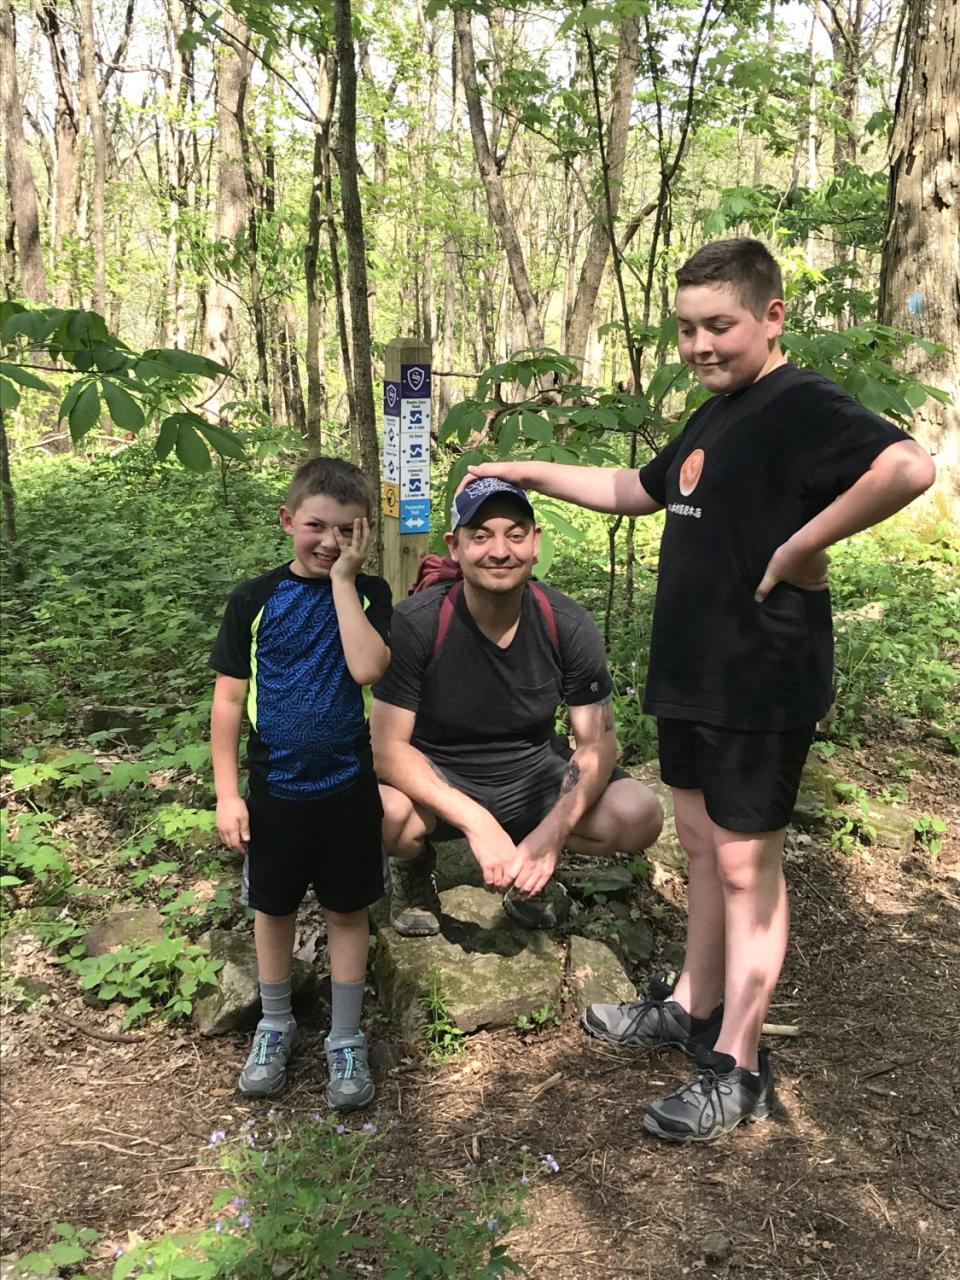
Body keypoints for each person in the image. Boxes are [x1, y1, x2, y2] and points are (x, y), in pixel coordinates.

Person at [465, 237, 936, 1141]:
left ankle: (740, 1063)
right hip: (693, 670)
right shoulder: (714, 413)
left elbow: (907, 467)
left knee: (744, 864)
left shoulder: (800, 403)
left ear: (772, 317)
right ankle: (690, 1003)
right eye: (686, 329)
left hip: (761, 677)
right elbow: (632, 487)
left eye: (718, 325)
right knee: (696, 843)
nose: (699, 345)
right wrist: (524, 473)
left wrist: (803, 547)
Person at [371, 476, 663, 935]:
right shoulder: (416, 623)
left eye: (515, 534)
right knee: (375, 810)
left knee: (639, 813)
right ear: (455, 545)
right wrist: (477, 821)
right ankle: (412, 868)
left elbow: (599, 745)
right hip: (440, 777)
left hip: (533, 778)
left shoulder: (565, 623)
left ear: (535, 543)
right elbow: (387, 749)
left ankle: (529, 871)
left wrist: (550, 837)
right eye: (481, 535)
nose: (499, 550)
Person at [210, 456, 391, 1108]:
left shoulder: (370, 595)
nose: (328, 541)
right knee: (274, 907)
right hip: (275, 790)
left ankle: (346, 1038)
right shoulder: (254, 600)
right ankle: (276, 1021)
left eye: (345, 530)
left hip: (347, 786)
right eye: (315, 525)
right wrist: (228, 793)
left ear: (364, 532)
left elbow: (369, 668)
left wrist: (345, 581)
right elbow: (228, 702)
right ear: (288, 521)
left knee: (348, 908)